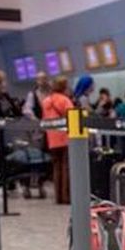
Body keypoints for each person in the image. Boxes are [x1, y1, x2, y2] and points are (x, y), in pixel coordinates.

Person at [42, 75, 74, 204]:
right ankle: (66, 196)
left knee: (56, 167)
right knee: (65, 166)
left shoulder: (46, 101)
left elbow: (44, 119)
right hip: (64, 136)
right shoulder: (65, 100)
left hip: (51, 136)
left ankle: (58, 196)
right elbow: (72, 116)